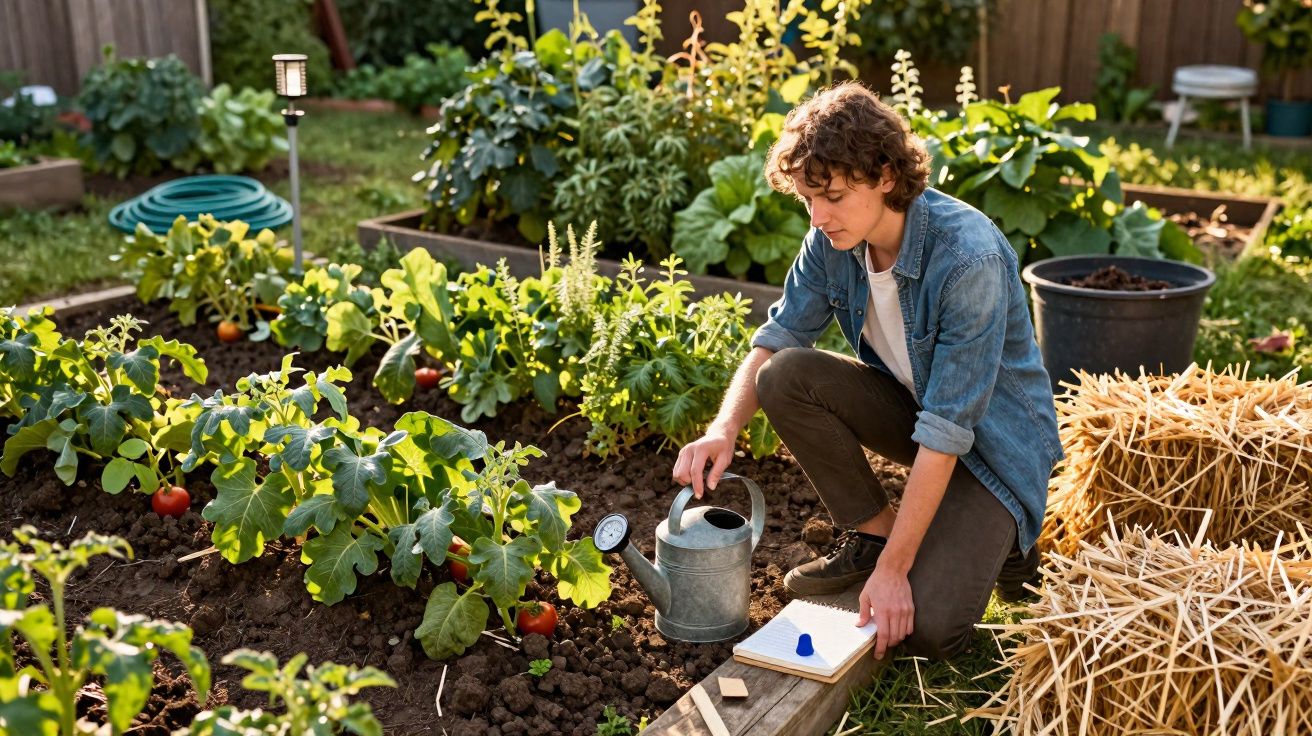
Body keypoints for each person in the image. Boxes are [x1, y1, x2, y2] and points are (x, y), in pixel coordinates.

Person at [671, 81, 1064, 661]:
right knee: (783, 376)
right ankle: (874, 531)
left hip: (995, 448)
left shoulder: (967, 260)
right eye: (808, 198)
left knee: (927, 633)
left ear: (884, 175)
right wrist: (722, 429)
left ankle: (1010, 536)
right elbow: (778, 338)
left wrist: (896, 572)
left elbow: (950, 429)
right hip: (922, 415)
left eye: (832, 196)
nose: (818, 215)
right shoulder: (831, 239)